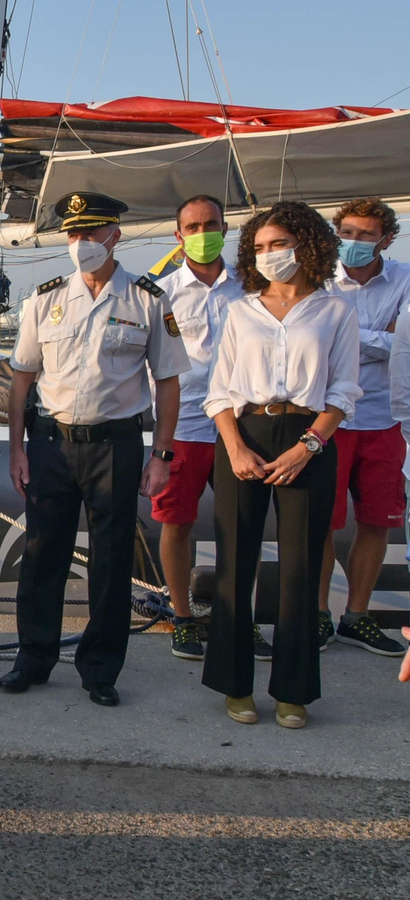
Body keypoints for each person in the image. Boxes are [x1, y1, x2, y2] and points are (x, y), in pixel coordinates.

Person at [2, 191, 190, 708]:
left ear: (114, 236)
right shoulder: (44, 299)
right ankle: (33, 657)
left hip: (116, 444)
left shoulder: (148, 300)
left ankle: (100, 668)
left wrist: (162, 455)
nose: (81, 243)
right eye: (73, 234)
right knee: (42, 555)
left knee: (109, 561)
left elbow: (168, 383)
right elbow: (21, 381)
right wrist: (17, 450)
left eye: (91, 234)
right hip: (51, 445)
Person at [202, 200, 360, 729]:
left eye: (280, 245)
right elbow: (219, 390)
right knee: (234, 563)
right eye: (261, 247)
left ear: (306, 245)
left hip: (308, 437)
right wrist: (236, 447)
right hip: (243, 434)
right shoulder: (239, 310)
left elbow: (343, 392)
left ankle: (293, 690)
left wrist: (307, 447)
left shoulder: (336, 310)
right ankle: (233, 684)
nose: (270, 255)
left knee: (299, 569)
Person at [148, 196, 256, 661]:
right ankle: (183, 618)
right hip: (184, 427)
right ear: (178, 236)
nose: (202, 232)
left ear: (226, 228)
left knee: (241, 527)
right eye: (192, 226)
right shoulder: (160, 293)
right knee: (177, 524)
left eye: (211, 224)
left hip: (242, 427)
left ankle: (238, 621)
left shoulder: (252, 289)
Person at [319, 198, 409, 658]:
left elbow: (405, 346)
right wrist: (384, 337)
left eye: (365, 234)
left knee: (378, 521)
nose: (353, 242)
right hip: (328, 417)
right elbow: (313, 342)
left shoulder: (406, 278)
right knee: (322, 524)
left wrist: (344, 334)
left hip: (383, 417)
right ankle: (317, 617)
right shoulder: (317, 279)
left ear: (387, 239)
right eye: (347, 233)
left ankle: (356, 617)